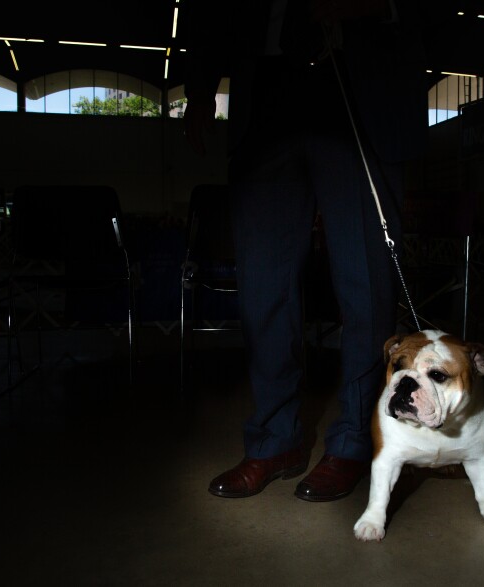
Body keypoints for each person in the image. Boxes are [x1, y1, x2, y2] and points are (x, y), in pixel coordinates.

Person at [183, 0, 428, 501]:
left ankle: (358, 440)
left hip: (357, 84)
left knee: (365, 286)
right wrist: (200, 85)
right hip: (267, 91)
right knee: (262, 288)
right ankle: (276, 439)